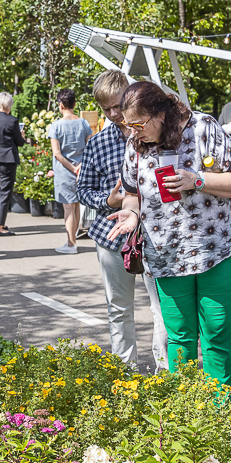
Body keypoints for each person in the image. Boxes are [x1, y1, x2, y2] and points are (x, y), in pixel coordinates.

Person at [107, 82, 231, 386]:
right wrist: (132, 212)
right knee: (179, 337)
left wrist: (196, 179)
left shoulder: (203, 128)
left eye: (138, 124)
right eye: (127, 124)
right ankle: (184, 410)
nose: (132, 131)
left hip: (216, 249)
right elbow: (132, 192)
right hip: (166, 256)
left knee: (215, 333)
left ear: (160, 114)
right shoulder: (136, 142)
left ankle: (217, 411)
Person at [77, 70, 168, 369]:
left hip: (156, 234)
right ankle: (125, 372)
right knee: (119, 308)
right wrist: (108, 200)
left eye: (118, 105)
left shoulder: (160, 134)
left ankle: (165, 374)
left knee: (163, 309)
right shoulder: (98, 142)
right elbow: (83, 190)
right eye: (107, 109)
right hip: (112, 235)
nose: (115, 114)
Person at [49, 89, 93, 254]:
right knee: (75, 207)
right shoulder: (84, 123)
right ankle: (72, 242)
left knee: (69, 208)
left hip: (65, 172)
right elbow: (90, 147)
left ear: (60, 105)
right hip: (82, 170)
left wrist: (73, 168)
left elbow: (57, 153)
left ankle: (71, 243)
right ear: (74, 104)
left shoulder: (56, 126)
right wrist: (80, 165)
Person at [0, 91, 26, 236]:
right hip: (7, 158)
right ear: (9, 105)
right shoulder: (12, 121)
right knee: (5, 191)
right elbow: (19, 142)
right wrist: (22, 136)